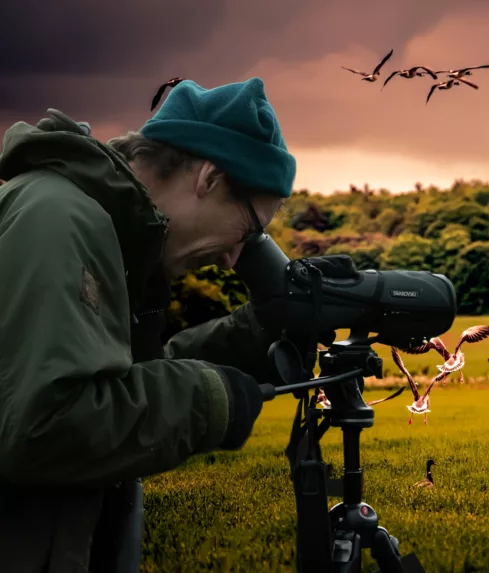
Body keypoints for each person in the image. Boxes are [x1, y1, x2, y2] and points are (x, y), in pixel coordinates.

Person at [0, 77, 297, 572]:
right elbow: (43, 426)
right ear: (209, 176)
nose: (232, 259)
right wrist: (204, 401)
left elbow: (122, 382)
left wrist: (260, 329)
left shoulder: (110, 236)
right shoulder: (60, 218)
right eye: (247, 232)